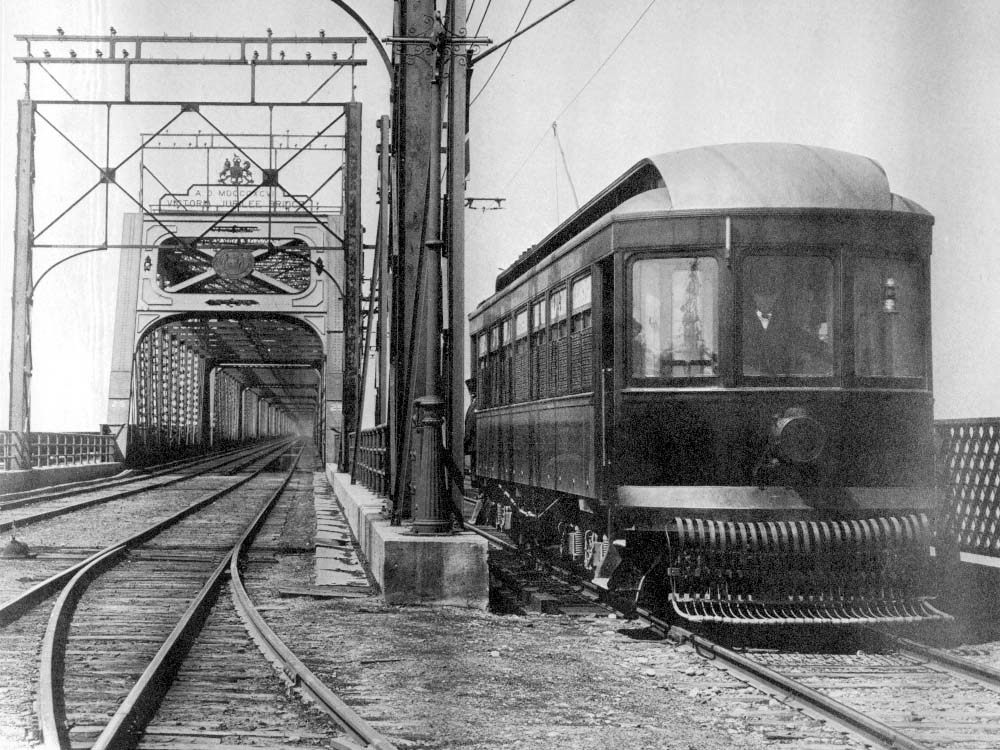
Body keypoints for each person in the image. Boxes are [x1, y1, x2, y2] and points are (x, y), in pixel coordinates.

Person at [743, 277, 827, 375]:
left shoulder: (785, 323)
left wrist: (826, 349)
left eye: (770, 296)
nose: (765, 300)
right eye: (761, 296)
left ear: (776, 297)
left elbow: (805, 340)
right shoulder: (744, 323)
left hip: (780, 381)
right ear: (754, 296)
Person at [463, 377, 477, 476]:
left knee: (474, 464)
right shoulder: (473, 404)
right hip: (472, 441)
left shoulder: (475, 404)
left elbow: (470, 424)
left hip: (473, 441)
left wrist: (465, 440)